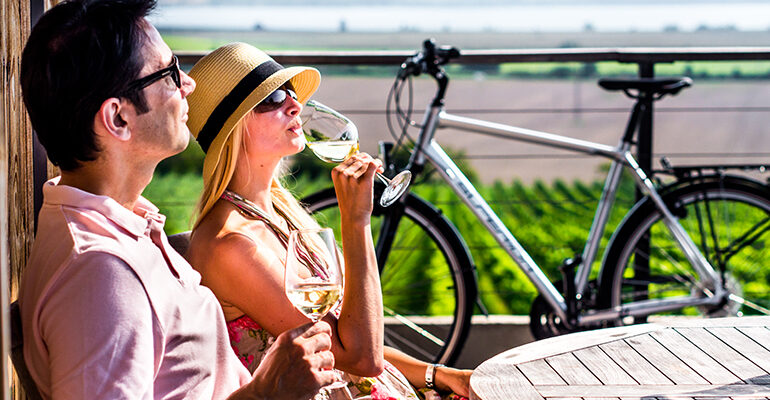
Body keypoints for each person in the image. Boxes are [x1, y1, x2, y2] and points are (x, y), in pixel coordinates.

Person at [18, 1, 337, 399]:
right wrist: (265, 393)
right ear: (118, 119)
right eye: (169, 74)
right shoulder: (101, 276)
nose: (189, 85)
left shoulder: (123, 225)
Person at [184, 42, 473, 400]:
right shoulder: (231, 244)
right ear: (233, 127)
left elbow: (343, 335)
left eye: (290, 92)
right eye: (273, 97)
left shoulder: (281, 209)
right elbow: (361, 359)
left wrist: (440, 375)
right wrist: (357, 222)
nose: (296, 105)